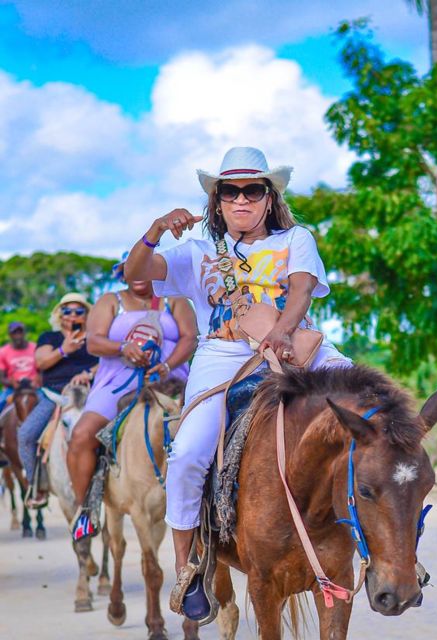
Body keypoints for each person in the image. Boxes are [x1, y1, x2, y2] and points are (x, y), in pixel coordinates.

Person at [124, 146, 351, 613]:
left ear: (269, 198)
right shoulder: (198, 251)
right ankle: (188, 569)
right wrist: (155, 231)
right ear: (218, 200)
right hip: (223, 353)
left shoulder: (296, 238)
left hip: (295, 342)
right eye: (231, 191)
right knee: (187, 454)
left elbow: (304, 287)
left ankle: (390, 548)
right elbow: (136, 273)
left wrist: (284, 333)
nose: (241, 199)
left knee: (376, 408)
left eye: (253, 190)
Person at [67, 260, 197, 539]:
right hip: (117, 384)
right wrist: (123, 347)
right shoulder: (109, 301)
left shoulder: (174, 300)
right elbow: (94, 342)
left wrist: (167, 365)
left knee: (210, 430)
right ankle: (86, 511)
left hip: (171, 384)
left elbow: (189, 338)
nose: (138, 276)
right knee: (81, 434)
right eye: (131, 271)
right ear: (122, 275)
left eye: (144, 269)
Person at [17, 294, 98, 507]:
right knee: (26, 434)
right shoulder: (49, 338)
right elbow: (41, 361)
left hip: (91, 392)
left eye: (78, 311)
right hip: (55, 396)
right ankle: (37, 486)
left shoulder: (95, 337)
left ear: (86, 315)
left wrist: (89, 373)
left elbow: (108, 361)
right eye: (67, 311)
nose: (72, 315)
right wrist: (64, 350)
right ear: (59, 315)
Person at [0, 322, 39, 413]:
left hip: (33, 387)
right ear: (10, 335)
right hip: (12, 388)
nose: (18, 336)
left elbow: (41, 370)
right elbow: (2, 378)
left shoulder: (35, 348)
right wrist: (13, 383)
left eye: (20, 332)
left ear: (24, 333)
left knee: (49, 405)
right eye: (14, 333)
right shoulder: (3, 352)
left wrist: (36, 381)